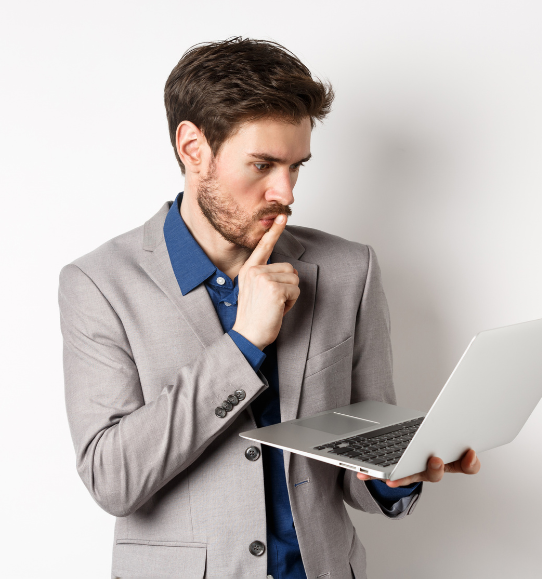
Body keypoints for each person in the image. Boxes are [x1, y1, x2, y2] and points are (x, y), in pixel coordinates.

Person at [59, 37, 481, 579]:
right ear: (193, 148)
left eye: (296, 166)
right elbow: (112, 479)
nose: (285, 191)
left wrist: (391, 472)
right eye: (262, 165)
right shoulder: (99, 284)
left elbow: (360, 455)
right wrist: (243, 345)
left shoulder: (351, 269)